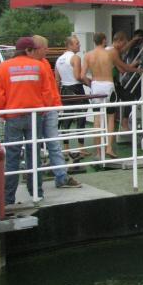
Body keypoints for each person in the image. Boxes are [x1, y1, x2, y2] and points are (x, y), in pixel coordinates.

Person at [0, 37, 59, 204]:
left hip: (13, 116)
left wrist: (4, 114)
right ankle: (36, 192)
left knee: (12, 157)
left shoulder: (3, 67)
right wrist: (42, 110)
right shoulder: (39, 66)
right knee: (34, 155)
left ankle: (9, 198)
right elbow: (48, 93)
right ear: (29, 50)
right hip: (35, 116)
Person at [30, 36, 82, 189]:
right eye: (45, 48)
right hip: (37, 110)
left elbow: (54, 83)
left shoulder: (47, 62)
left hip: (50, 108)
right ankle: (33, 178)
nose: (47, 50)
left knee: (53, 143)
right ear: (37, 49)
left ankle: (61, 177)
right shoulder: (30, 65)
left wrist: (56, 103)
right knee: (34, 144)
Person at [81, 32, 140, 158]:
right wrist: (137, 69)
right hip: (108, 86)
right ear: (104, 40)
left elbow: (82, 76)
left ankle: (98, 151)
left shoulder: (88, 55)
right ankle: (109, 148)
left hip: (95, 86)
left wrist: (91, 84)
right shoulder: (111, 53)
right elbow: (123, 67)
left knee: (97, 119)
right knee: (110, 118)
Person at [55, 35, 87, 160]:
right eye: (77, 43)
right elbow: (78, 76)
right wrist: (89, 82)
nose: (79, 45)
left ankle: (66, 148)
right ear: (69, 45)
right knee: (81, 119)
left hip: (64, 90)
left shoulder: (59, 60)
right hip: (76, 90)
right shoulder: (75, 58)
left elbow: (57, 79)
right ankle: (81, 148)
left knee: (66, 119)